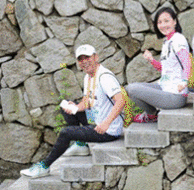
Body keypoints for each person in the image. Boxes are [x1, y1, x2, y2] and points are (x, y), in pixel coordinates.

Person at [20, 45, 124, 179]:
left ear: (96, 57)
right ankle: (81, 145)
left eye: (87, 57)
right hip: (97, 119)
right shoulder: (89, 77)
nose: (84, 61)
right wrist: (75, 107)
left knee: (66, 133)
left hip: (108, 130)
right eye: (80, 59)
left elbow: (120, 101)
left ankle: (44, 167)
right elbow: (87, 101)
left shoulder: (104, 77)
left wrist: (106, 123)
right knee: (67, 108)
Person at [126, 7, 192, 123]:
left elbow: (187, 62)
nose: (163, 25)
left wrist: (185, 81)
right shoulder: (167, 41)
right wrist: (151, 60)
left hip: (175, 95)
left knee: (132, 88)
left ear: (175, 21)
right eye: (159, 22)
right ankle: (152, 115)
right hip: (165, 87)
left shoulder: (178, 40)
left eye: (166, 21)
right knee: (130, 89)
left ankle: (151, 114)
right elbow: (164, 68)